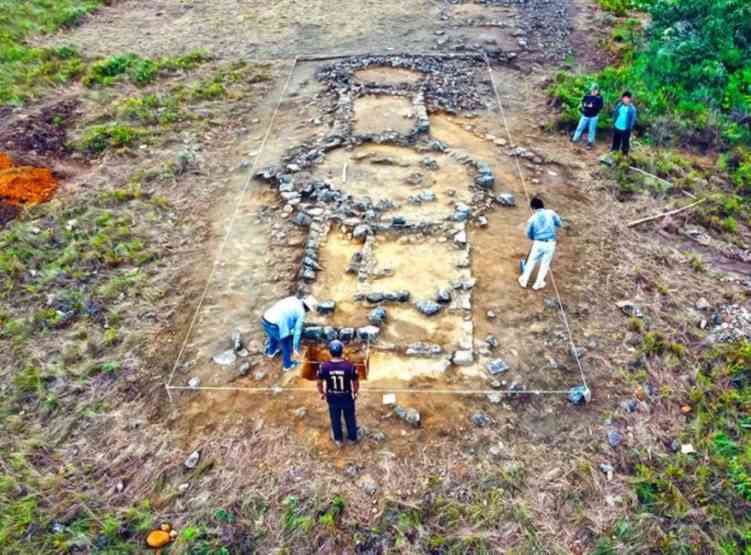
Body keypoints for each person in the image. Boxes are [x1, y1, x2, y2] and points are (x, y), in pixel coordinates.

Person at [317, 340, 359, 447]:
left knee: (335, 418)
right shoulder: (349, 366)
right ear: (342, 351)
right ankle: (352, 438)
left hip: (332, 398)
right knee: (350, 417)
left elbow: (319, 382)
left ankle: (338, 439)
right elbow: (355, 382)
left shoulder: (324, 367)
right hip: (347, 397)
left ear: (330, 352)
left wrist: (321, 393)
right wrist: (355, 392)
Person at [261, 295, 318, 370]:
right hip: (275, 325)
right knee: (286, 345)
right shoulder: (301, 313)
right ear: (307, 308)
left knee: (272, 336)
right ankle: (287, 365)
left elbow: (287, 315)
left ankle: (271, 352)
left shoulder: (293, 299)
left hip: (265, 319)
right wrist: (295, 348)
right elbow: (297, 332)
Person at [518, 197, 561, 291]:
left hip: (538, 243)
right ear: (543, 205)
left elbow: (529, 234)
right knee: (545, 264)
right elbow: (559, 223)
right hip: (550, 243)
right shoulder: (551, 213)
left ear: (533, 208)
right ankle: (538, 284)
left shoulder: (532, 219)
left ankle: (523, 281)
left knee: (531, 261)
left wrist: (535, 238)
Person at [572, 83, 603, 149]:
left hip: (594, 116)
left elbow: (600, 107)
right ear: (591, 90)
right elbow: (582, 102)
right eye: (593, 90)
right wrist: (583, 106)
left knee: (591, 130)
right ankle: (575, 139)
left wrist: (593, 106)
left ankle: (590, 142)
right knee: (580, 127)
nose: (594, 91)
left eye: (595, 90)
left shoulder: (599, 98)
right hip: (585, 115)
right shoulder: (587, 95)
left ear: (598, 91)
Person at [611, 91, 637, 155]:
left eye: (627, 98)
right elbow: (615, 114)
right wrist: (614, 123)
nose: (625, 99)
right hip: (617, 126)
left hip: (625, 129)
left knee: (625, 142)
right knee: (616, 140)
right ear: (622, 98)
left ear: (630, 99)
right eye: (624, 98)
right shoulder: (619, 105)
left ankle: (624, 155)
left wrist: (629, 128)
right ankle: (614, 152)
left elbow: (632, 119)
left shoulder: (632, 108)